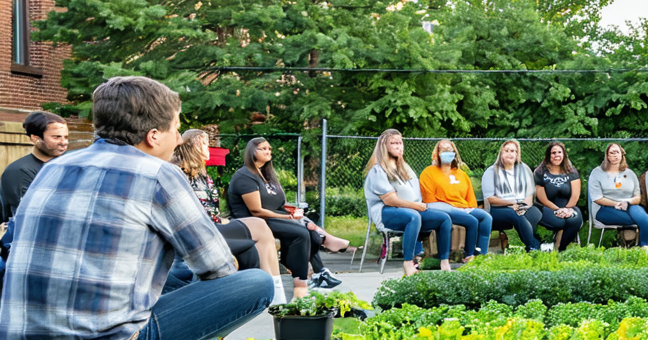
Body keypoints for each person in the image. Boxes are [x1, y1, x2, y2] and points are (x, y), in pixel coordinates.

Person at [0, 76, 272, 340]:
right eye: (176, 128)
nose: (179, 138)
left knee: (176, 274)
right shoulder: (158, 174)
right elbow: (217, 267)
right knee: (256, 284)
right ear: (153, 135)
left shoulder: (51, 169)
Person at [173, 130, 287, 303]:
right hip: (198, 233)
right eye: (204, 143)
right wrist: (217, 219)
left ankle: (262, 295)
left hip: (212, 225)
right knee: (260, 227)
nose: (208, 147)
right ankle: (275, 297)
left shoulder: (203, 176)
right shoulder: (181, 174)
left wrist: (219, 218)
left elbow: (210, 208)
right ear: (194, 145)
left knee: (252, 248)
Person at [228, 138, 349, 290]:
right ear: (251, 151)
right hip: (253, 222)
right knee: (301, 232)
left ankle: (319, 273)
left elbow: (278, 203)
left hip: (271, 218)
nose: (268, 151)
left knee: (309, 231)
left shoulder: (267, 175)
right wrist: (288, 217)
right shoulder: (244, 176)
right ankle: (301, 280)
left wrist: (293, 212)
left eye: (269, 149)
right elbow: (256, 210)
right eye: (262, 149)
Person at [364, 129, 453, 276]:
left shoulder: (405, 168)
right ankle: (408, 262)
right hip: (385, 212)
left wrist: (419, 205)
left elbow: (414, 195)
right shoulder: (377, 170)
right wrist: (416, 206)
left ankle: (444, 261)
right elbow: (390, 200)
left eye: (400, 142)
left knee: (444, 218)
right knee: (413, 216)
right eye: (393, 143)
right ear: (384, 146)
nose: (398, 146)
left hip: (410, 210)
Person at [420, 139, 492, 262]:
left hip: (463, 208)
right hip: (443, 208)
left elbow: (470, 197)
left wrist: (471, 207)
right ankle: (468, 255)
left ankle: (481, 254)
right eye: (444, 150)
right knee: (472, 221)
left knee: (486, 217)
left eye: (450, 150)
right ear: (437, 153)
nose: (448, 152)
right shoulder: (428, 173)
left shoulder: (462, 174)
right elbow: (429, 198)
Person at [1, 111, 68, 224]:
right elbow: (28, 215)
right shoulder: (20, 171)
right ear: (35, 138)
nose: (64, 142)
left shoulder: (70, 164)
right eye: (56, 137)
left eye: (66, 137)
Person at [589, 142, 648, 251]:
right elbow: (597, 198)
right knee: (643, 221)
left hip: (629, 205)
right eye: (611, 153)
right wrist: (616, 204)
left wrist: (627, 202)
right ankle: (635, 247)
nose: (615, 155)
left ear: (622, 155)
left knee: (644, 218)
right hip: (605, 208)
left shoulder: (630, 174)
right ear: (607, 156)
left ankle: (644, 249)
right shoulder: (597, 173)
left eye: (617, 152)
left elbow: (637, 198)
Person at [482, 139, 543, 252]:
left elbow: (529, 194)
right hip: (498, 209)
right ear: (501, 153)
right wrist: (512, 203)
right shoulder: (491, 172)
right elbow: (490, 198)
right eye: (507, 151)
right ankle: (534, 246)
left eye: (513, 151)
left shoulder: (524, 170)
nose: (510, 153)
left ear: (517, 154)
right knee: (514, 213)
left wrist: (524, 207)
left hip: (520, 206)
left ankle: (531, 246)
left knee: (534, 213)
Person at [532, 141, 583, 251]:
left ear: (564, 154)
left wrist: (566, 210)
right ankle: (548, 247)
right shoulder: (540, 172)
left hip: (569, 207)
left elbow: (575, 196)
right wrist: (558, 210)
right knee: (560, 221)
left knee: (575, 219)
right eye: (553, 153)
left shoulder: (572, 172)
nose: (556, 155)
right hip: (547, 208)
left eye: (559, 152)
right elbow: (542, 198)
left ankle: (560, 248)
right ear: (548, 155)